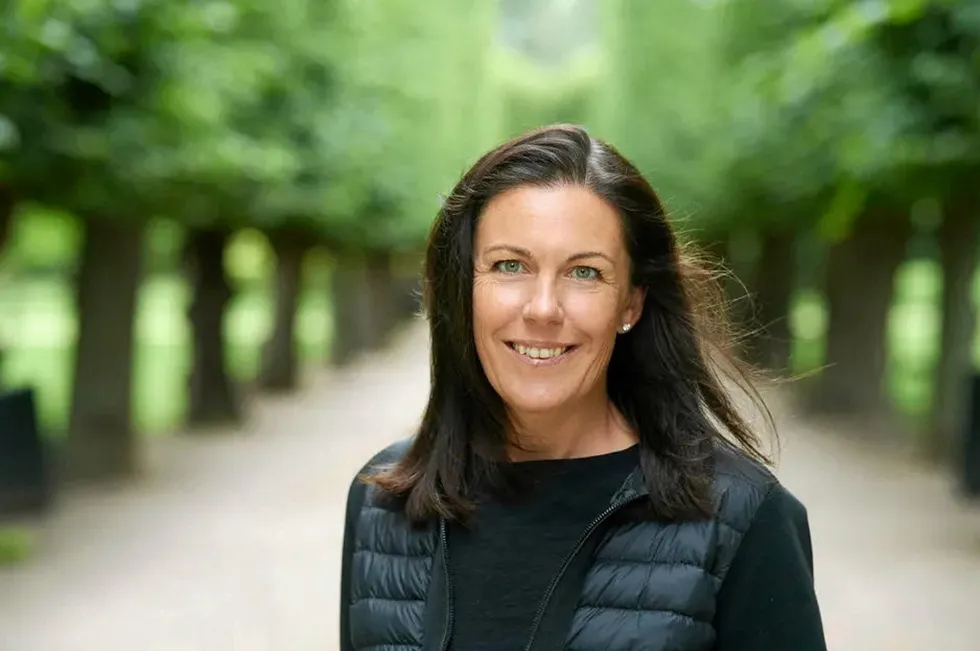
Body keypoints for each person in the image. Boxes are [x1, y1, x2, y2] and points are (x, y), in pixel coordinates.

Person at [339, 125, 827, 651]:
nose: (543, 308)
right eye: (510, 265)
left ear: (631, 303)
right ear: (465, 289)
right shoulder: (381, 504)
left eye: (585, 273)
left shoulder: (744, 518)